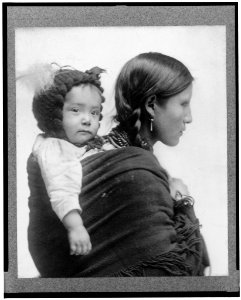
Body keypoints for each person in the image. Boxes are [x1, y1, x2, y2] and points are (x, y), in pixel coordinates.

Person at [27, 53, 210, 277]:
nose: (189, 117)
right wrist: (183, 202)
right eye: (183, 104)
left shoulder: (127, 160)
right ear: (151, 105)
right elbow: (172, 275)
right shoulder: (134, 168)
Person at [23, 64, 114, 257]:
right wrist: (75, 227)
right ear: (54, 116)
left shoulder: (82, 144)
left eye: (94, 112)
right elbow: (61, 187)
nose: (87, 119)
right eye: (75, 110)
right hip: (60, 236)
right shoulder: (54, 148)